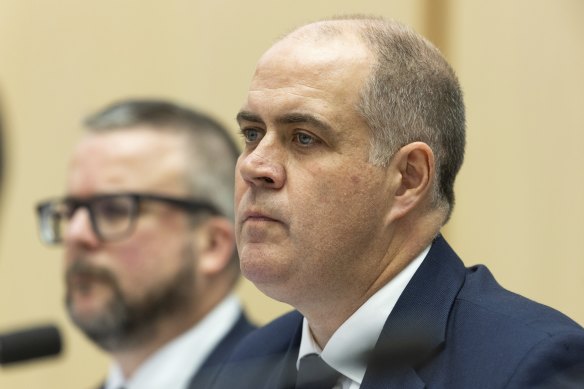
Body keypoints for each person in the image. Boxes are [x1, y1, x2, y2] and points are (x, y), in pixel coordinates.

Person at [212, 16, 584, 388]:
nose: (254, 165)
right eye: (252, 133)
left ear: (408, 178)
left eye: (304, 138)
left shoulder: (528, 366)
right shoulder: (247, 364)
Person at [35, 99, 255, 389]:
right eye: (71, 210)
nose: (76, 234)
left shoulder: (281, 380)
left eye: (114, 209)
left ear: (212, 245)